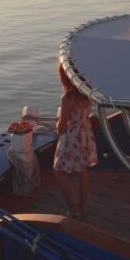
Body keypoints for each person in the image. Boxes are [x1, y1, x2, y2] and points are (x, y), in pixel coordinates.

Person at [53, 64, 98, 219]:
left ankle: (74, 209)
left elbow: (62, 126)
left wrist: (57, 124)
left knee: (59, 171)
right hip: (85, 136)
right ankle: (82, 206)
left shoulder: (67, 98)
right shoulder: (87, 93)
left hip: (71, 139)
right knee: (82, 171)